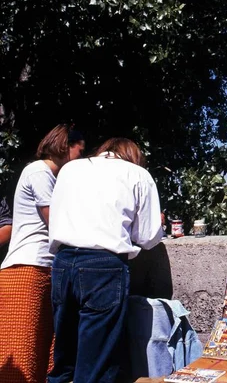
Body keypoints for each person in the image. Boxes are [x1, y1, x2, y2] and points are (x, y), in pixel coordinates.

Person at [48, 138, 163, 383]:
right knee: (97, 363)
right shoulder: (138, 174)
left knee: (64, 358)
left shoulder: (70, 169)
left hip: (63, 261)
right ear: (134, 155)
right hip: (103, 265)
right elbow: (148, 237)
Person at [0, 124, 85, 383]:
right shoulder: (39, 172)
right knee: (21, 349)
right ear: (64, 146)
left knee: (44, 353)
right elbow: (56, 221)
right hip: (27, 269)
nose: (81, 157)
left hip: (42, 269)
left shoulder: (51, 175)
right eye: (80, 150)